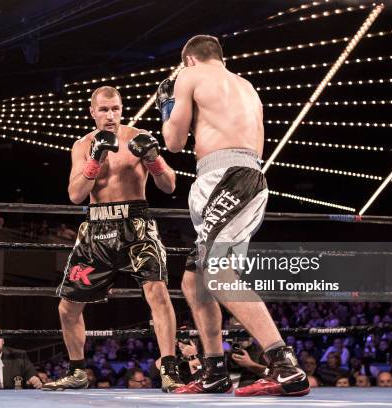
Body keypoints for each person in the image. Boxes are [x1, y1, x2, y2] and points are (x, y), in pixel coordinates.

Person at [159, 34, 309, 396]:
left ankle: (283, 364)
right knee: (195, 281)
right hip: (237, 176)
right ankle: (214, 370)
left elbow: (174, 142)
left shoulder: (189, 77)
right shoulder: (245, 85)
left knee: (217, 270)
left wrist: (167, 105)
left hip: (229, 179)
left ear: (189, 59)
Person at [43, 86, 183, 393]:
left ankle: (170, 370)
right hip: (97, 228)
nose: (110, 115)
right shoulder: (82, 146)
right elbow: (75, 195)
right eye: (104, 109)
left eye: (115, 109)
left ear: (122, 109)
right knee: (67, 307)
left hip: (137, 225)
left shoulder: (139, 137)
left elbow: (169, 185)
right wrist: (95, 159)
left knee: (157, 292)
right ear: (92, 112)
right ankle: (78, 371)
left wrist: (153, 159)